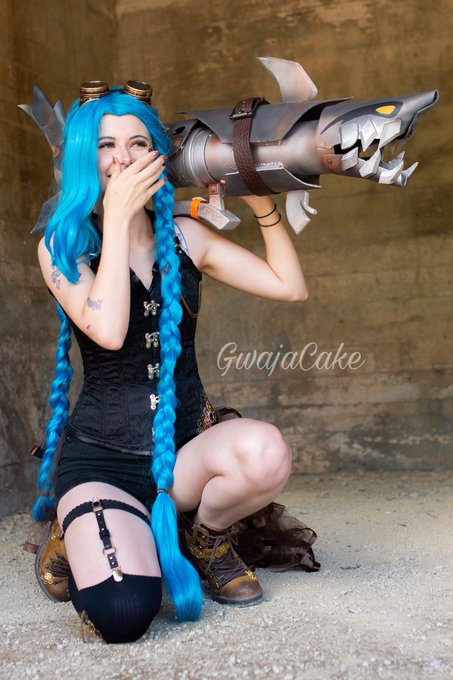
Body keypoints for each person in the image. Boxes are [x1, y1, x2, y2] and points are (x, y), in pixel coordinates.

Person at [32, 80, 318, 644]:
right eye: (106, 145)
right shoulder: (60, 246)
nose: (123, 158)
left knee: (265, 451)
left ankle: (205, 537)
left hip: (182, 459)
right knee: (123, 610)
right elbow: (109, 330)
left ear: (157, 155)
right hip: (103, 464)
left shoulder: (186, 236)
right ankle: (77, 526)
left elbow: (290, 286)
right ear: (85, 157)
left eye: (138, 143)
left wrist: (260, 200)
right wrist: (117, 221)